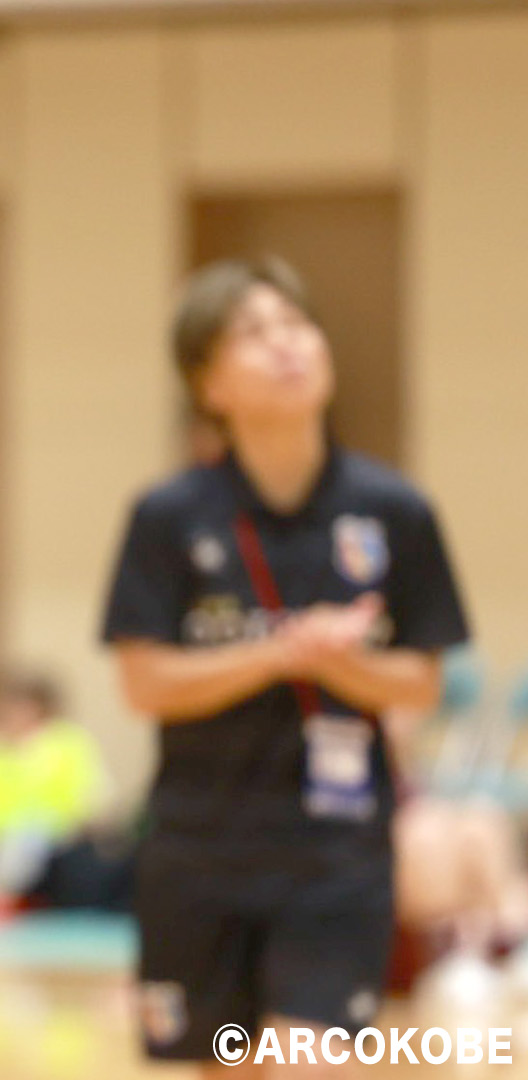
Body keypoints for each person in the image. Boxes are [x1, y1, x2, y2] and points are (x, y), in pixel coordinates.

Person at [102, 256, 470, 1075]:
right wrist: (282, 651)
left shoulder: (396, 511)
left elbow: (422, 680)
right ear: (209, 386)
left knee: (308, 1062)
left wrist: (336, 664)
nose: (287, 346)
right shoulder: (167, 517)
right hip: (199, 854)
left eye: (296, 325)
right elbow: (144, 682)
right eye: (254, 334)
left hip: (337, 858)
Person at [0, 670, 130, 919]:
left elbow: (91, 798)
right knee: (15, 844)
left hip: (60, 837)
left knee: (27, 841)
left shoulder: (68, 743)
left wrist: (52, 822)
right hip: (0, 838)